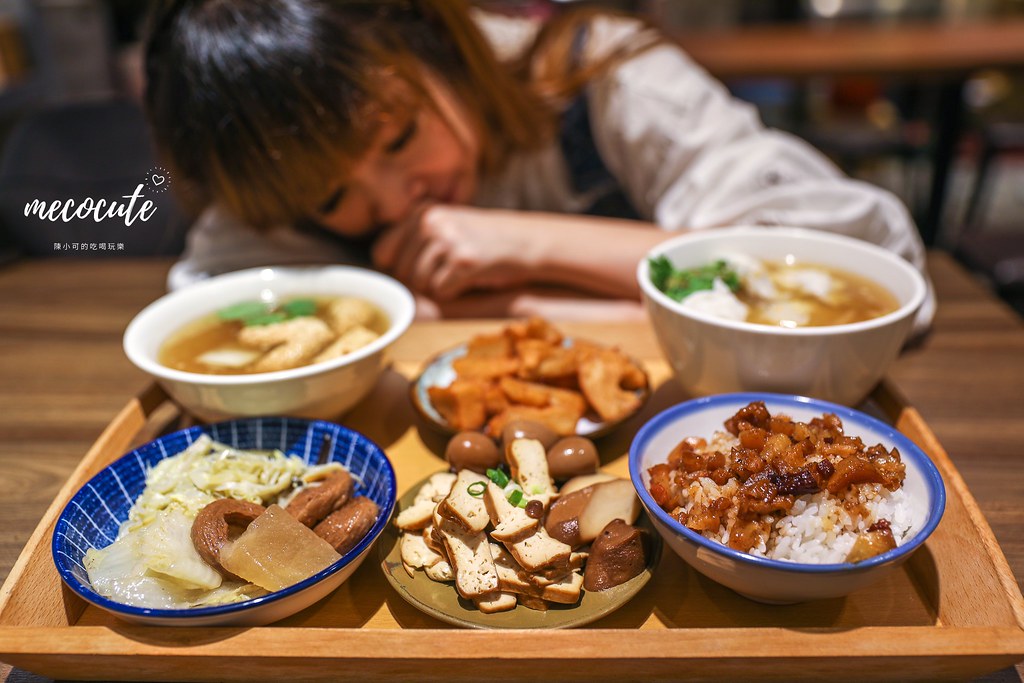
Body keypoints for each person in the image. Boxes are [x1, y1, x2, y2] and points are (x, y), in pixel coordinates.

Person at [144, 0, 934, 329]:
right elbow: (214, 304)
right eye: (330, 198)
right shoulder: (274, 186)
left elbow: (871, 266)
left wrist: (529, 247)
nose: (394, 199)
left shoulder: (604, 77)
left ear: (438, 41)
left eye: (398, 137)